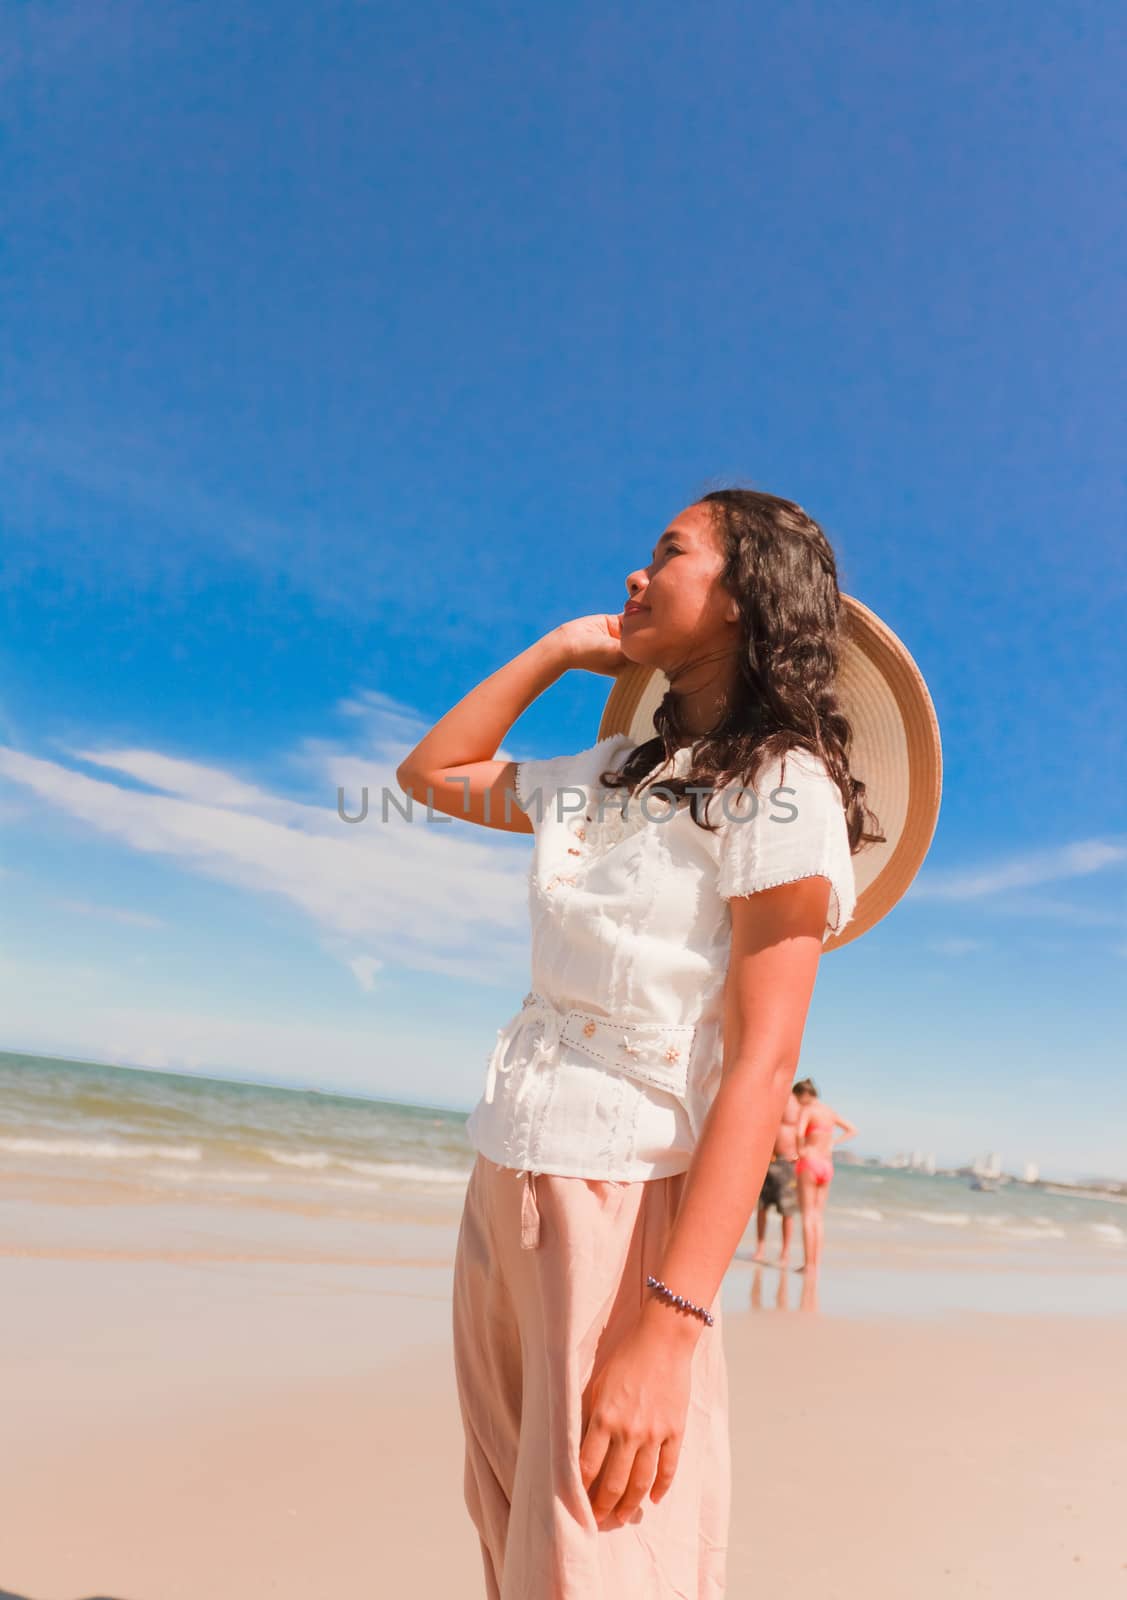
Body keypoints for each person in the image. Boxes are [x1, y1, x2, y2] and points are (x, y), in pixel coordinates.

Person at [396, 488, 879, 1598]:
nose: (633, 573)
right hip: (502, 1179)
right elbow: (429, 774)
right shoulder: (609, 776)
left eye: (667, 552)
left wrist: (666, 1332)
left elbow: (760, 1066)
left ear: (745, 597)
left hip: (625, 1204)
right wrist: (561, 649)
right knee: (512, 1538)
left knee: (601, 1556)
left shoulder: (785, 790)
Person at [792, 1076, 857, 1273]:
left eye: (797, 1098)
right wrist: (833, 1143)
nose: (796, 1103)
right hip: (826, 1165)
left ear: (804, 1095)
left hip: (810, 1162)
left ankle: (807, 1264)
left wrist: (800, 1150)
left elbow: (798, 1132)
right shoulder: (829, 1112)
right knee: (818, 1218)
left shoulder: (808, 1110)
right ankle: (815, 1264)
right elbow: (852, 1130)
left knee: (807, 1216)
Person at [750, 1087, 801, 1266]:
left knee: (787, 1211)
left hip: (786, 1162)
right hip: (766, 1160)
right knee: (762, 1207)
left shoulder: (797, 1100)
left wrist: (800, 1153)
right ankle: (760, 1248)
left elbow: (805, 1129)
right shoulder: (772, 1091)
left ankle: (785, 1253)